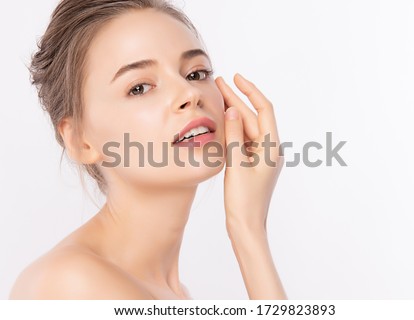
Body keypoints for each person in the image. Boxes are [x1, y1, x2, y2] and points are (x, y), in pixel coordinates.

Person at [10, 0, 286, 299]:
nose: (189, 93)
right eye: (139, 87)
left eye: (195, 73)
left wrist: (249, 228)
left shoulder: (176, 294)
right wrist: (248, 232)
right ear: (80, 140)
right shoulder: (69, 285)